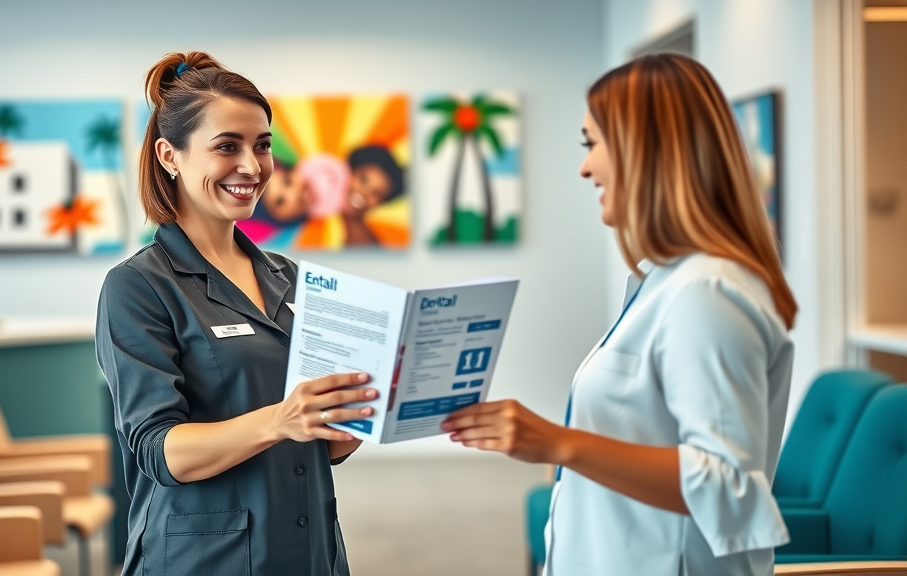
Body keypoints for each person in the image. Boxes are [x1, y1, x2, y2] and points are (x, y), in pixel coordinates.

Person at [443, 53, 798, 576]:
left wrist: (557, 442)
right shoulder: (666, 281)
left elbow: (726, 484)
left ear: (649, 149)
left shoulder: (707, 293)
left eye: (593, 144)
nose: (585, 168)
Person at [95, 51, 377, 576]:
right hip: (205, 557)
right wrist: (281, 419)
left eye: (263, 146)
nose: (252, 166)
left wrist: (355, 417)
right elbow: (160, 452)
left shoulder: (288, 276)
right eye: (227, 146)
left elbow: (324, 442)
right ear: (169, 155)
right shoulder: (137, 287)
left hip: (308, 546)